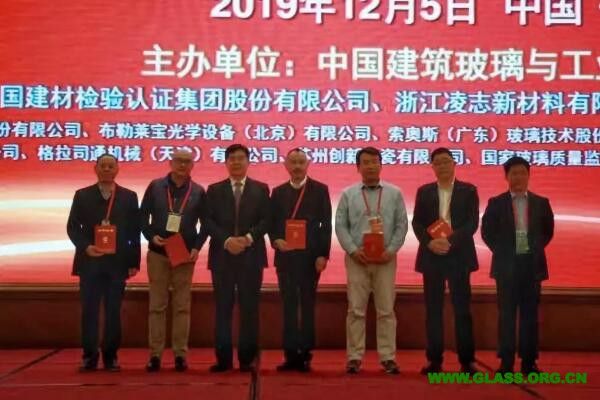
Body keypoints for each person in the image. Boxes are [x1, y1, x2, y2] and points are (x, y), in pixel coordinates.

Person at [335, 147, 408, 374]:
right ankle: (354, 357)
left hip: (386, 260)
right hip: (357, 259)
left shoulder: (395, 193)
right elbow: (340, 226)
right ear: (358, 167)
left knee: (386, 310)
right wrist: (353, 250)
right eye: (365, 162)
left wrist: (391, 250)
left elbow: (402, 225)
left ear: (381, 165)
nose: (371, 166)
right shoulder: (348, 194)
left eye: (375, 162)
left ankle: (388, 357)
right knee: (356, 310)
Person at [67, 153, 141, 372]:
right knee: (89, 311)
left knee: (113, 311)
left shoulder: (129, 196)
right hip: (90, 261)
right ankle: (89, 356)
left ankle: (110, 356)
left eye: (111, 166)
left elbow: (134, 232)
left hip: (117, 264)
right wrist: (86, 247)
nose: (107, 169)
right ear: (95, 168)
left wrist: (134, 261)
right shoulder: (82, 195)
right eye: (103, 166)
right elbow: (72, 227)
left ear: (117, 169)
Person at [482, 156, 554, 374]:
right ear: (507, 177)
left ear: (528, 175)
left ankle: (529, 362)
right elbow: (487, 232)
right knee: (506, 316)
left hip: (532, 267)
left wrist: (532, 249)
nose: (519, 177)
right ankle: (506, 362)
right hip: (506, 268)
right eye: (514, 173)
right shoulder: (496, 203)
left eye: (523, 173)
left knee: (530, 317)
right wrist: (504, 253)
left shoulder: (541, 203)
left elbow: (547, 232)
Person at [412, 147, 479, 374]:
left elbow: (472, 223)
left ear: (454, 164)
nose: (442, 166)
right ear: (432, 167)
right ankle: (434, 360)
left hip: (459, 255)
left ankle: (467, 361)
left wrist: (450, 241)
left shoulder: (468, 190)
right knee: (433, 310)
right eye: (437, 162)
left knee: (462, 310)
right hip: (432, 256)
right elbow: (417, 223)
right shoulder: (424, 191)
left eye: (446, 161)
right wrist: (429, 243)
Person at [204, 144, 270, 372]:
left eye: (241, 158)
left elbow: (266, 220)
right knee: (223, 309)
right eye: (232, 158)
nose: (236, 162)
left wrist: (248, 238)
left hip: (251, 256)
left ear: (248, 162)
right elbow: (208, 221)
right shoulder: (214, 190)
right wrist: (227, 241)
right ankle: (223, 359)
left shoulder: (261, 189)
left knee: (249, 309)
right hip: (222, 257)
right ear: (226, 162)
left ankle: (247, 359)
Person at [140, 149, 207, 372]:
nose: (182, 165)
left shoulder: (198, 191)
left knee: (182, 306)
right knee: (157, 305)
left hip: (184, 255)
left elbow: (206, 224)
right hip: (158, 253)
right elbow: (142, 217)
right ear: (170, 162)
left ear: (192, 165)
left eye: (187, 161)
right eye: (179, 160)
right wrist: (151, 236)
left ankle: (180, 354)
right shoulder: (155, 187)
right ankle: (155, 355)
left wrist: (197, 247)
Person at [269, 148, 332, 372]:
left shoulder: (320, 190)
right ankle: (289, 355)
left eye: (301, 162)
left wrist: (323, 254)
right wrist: (276, 240)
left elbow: (326, 225)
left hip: (310, 259)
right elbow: (271, 223)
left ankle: (305, 354)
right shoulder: (278, 192)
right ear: (286, 165)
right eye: (293, 162)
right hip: (286, 257)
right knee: (288, 306)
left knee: (307, 306)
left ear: (308, 164)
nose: (297, 166)